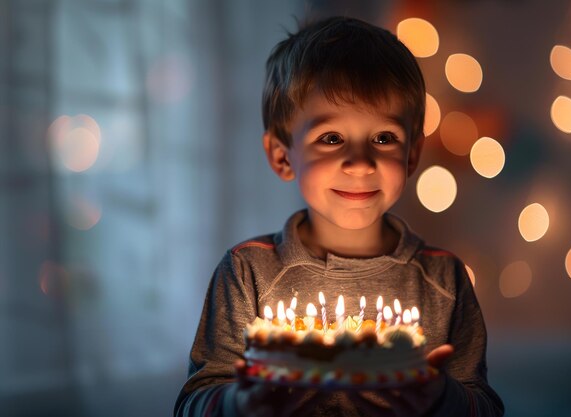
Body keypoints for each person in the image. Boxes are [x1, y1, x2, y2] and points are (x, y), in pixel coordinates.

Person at [174, 16, 504, 417]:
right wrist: (241, 402)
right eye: (331, 138)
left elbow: (484, 408)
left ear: (412, 155)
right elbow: (193, 405)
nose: (361, 163)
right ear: (282, 156)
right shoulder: (248, 273)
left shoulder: (445, 280)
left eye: (384, 138)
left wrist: (439, 397)